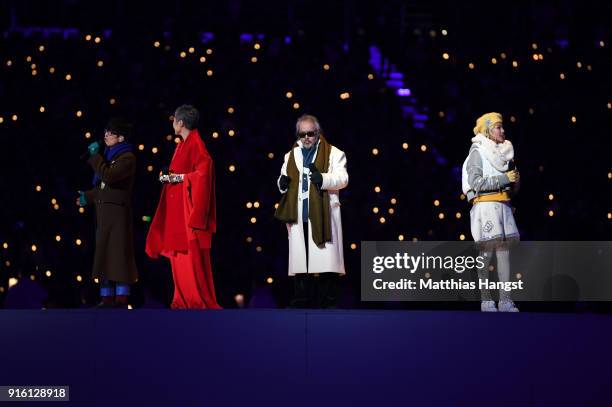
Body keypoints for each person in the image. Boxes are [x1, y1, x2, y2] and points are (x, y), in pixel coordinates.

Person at [145, 105, 221, 309]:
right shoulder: (183, 145)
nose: (172, 123)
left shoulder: (196, 144)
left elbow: (203, 175)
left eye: (174, 120)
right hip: (177, 208)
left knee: (189, 257)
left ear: (180, 123)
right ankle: (183, 298)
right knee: (179, 257)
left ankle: (193, 299)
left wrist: (177, 178)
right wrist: (170, 177)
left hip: (187, 212)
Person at [274, 114, 348, 308]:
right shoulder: (291, 155)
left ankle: (328, 301)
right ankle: (302, 299)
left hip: (323, 212)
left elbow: (343, 178)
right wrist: (281, 184)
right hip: (299, 213)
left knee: (324, 259)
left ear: (318, 133)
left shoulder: (334, 153)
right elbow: (283, 178)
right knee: (301, 258)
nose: (306, 138)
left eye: (310, 134)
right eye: (302, 134)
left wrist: (322, 179)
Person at [461, 112, 521, 312]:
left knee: (504, 255)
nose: (502, 131)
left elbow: (512, 190)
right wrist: (504, 179)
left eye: (502, 127)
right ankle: (486, 299)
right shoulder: (478, 151)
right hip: (486, 207)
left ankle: (505, 299)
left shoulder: (504, 153)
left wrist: (515, 180)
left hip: (503, 206)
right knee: (486, 255)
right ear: (487, 129)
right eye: (498, 127)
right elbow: (475, 183)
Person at [77, 117, 138, 308]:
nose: (106, 136)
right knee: (104, 256)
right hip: (104, 216)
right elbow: (103, 187)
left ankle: (121, 297)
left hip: (118, 216)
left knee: (118, 256)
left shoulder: (127, 158)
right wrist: (88, 196)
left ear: (120, 138)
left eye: (110, 133)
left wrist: (95, 157)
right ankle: (106, 297)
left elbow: (109, 177)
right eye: (105, 132)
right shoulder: (109, 157)